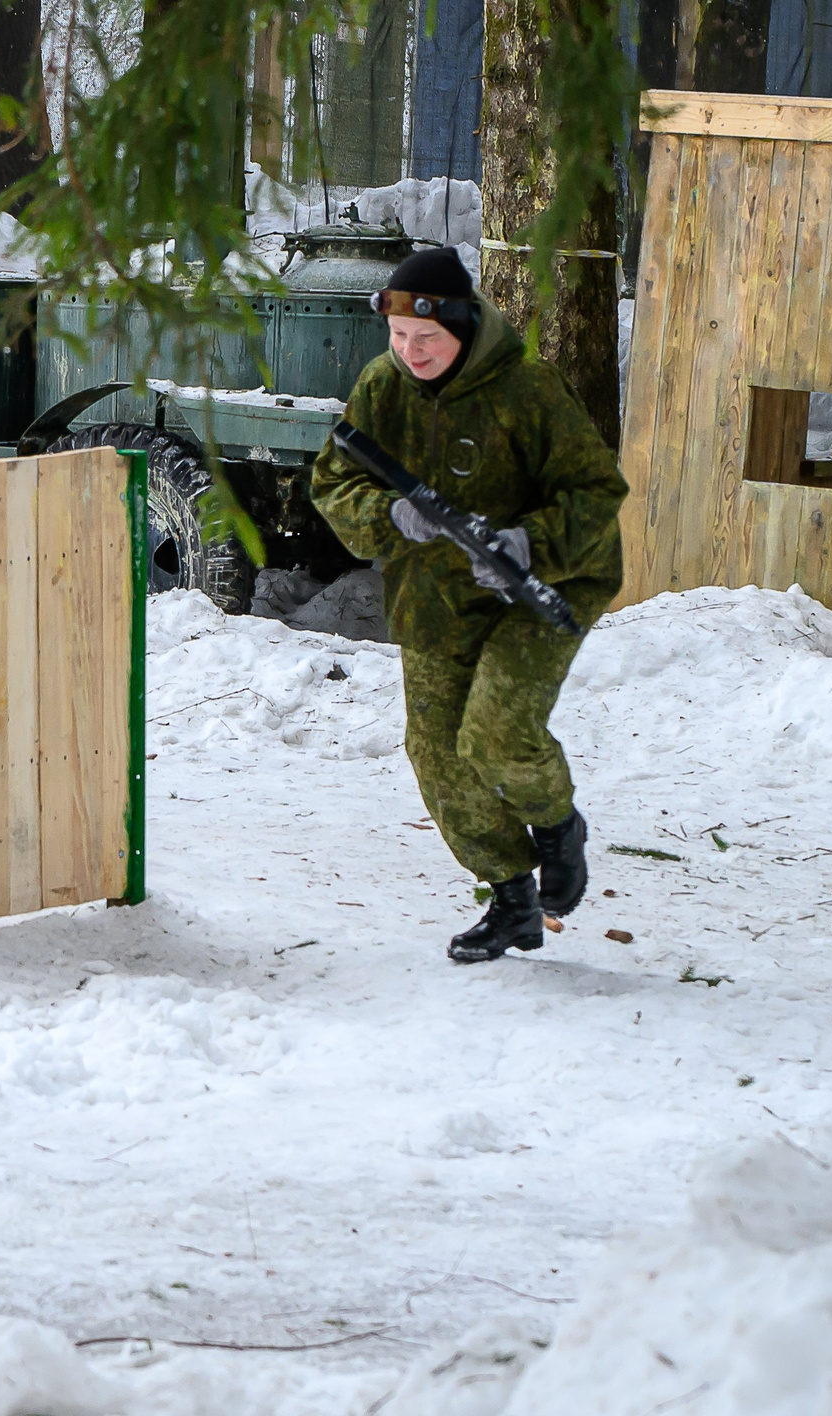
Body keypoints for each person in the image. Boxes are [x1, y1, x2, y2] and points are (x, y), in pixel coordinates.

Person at [308, 247, 628, 964]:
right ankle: (513, 897)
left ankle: (557, 826)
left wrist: (526, 541)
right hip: (438, 589)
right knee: (434, 752)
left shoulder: (529, 388)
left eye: (426, 338)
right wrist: (390, 515)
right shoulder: (383, 386)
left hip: (545, 584)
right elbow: (333, 481)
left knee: (494, 734)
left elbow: (596, 491)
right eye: (397, 337)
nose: (410, 352)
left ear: (462, 326)